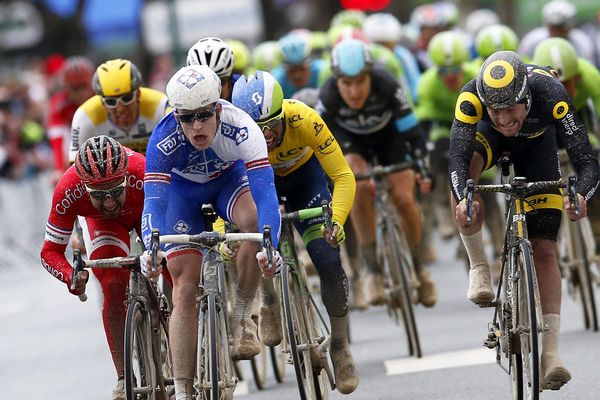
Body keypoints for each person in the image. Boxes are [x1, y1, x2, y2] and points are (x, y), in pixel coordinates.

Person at [448, 50, 599, 390]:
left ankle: (551, 353)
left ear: (526, 96)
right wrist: (463, 199)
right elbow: (455, 159)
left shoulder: (551, 92)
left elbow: (587, 161)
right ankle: (479, 267)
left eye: (510, 109)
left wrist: (581, 196)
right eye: (495, 110)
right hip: (487, 142)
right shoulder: (471, 98)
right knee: (466, 176)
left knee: (545, 248)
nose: (503, 117)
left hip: (536, 148)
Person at [141, 64, 282, 400]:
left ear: (218, 108)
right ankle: (184, 391)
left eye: (204, 115)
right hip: (182, 195)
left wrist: (269, 246)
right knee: (184, 287)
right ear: (177, 117)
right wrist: (151, 248)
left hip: (227, 184)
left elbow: (265, 194)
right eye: (187, 118)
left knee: (250, 223)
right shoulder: (162, 141)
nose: (197, 125)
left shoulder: (243, 127)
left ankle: (242, 313)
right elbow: (154, 204)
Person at [232, 70, 359, 394]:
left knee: (327, 261)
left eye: (272, 126)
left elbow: (343, 177)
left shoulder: (304, 118)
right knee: (259, 241)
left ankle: (341, 345)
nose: (267, 135)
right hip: (262, 186)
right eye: (257, 131)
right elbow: (226, 191)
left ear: (283, 114)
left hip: (306, 182)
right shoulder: (231, 135)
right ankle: (270, 298)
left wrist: (337, 220)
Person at [317, 38, 437, 308]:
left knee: (405, 199)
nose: (354, 91)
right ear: (337, 82)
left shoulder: (387, 85)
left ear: (370, 75)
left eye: (360, 81)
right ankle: (372, 270)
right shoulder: (328, 96)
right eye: (346, 84)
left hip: (389, 139)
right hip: (352, 142)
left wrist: (422, 165)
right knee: (355, 184)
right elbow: (322, 143)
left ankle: (419, 268)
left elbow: (412, 132)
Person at [40, 136, 146, 400]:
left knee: (173, 269)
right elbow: (49, 252)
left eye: (114, 191)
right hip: (103, 226)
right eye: (99, 195)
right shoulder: (68, 187)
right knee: (112, 283)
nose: (109, 202)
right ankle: (124, 377)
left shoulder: (141, 170)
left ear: (125, 177)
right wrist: (71, 276)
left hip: (144, 210)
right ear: (85, 187)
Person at [69, 58, 170, 159]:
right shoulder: (85, 115)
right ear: (102, 101)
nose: (120, 109)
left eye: (127, 98)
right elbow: (74, 166)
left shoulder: (160, 105)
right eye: (111, 102)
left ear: (138, 94)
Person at [46, 56, 95, 185]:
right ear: (66, 87)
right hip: (75, 142)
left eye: (83, 86)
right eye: (74, 88)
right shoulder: (59, 104)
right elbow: (58, 138)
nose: (80, 93)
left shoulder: (101, 97)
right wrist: (58, 169)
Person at [518, 0, 600, 67]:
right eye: (553, 28)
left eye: (561, 28)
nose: (557, 33)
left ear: (571, 25)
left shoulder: (582, 42)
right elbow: (522, 64)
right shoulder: (531, 41)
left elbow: (588, 69)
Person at [270, 31, 329, 98]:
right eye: (291, 71)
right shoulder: (276, 80)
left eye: (302, 68)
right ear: (283, 68)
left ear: (310, 63)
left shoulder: (322, 71)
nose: (297, 75)